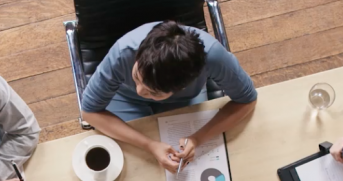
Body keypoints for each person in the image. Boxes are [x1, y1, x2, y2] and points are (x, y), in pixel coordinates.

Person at [80, 21, 257, 172]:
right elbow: (89, 112)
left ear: (183, 86)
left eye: (153, 92)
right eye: (136, 77)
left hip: (183, 102)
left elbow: (247, 100)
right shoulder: (123, 52)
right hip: (125, 97)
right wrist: (149, 145)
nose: (140, 90)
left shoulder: (213, 57)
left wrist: (198, 138)